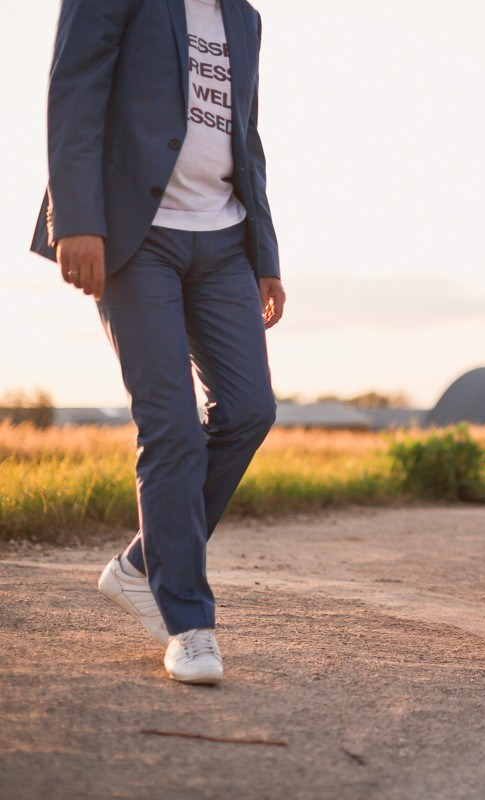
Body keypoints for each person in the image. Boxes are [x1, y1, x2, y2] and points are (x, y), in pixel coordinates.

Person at [30, 0, 284, 685]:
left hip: (224, 240)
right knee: (170, 423)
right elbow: (74, 89)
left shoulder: (246, 18)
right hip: (134, 233)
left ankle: (143, 562)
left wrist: (265, 256)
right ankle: (189, 625)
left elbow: (246, 135)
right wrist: (75, 217)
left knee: (250, 408)